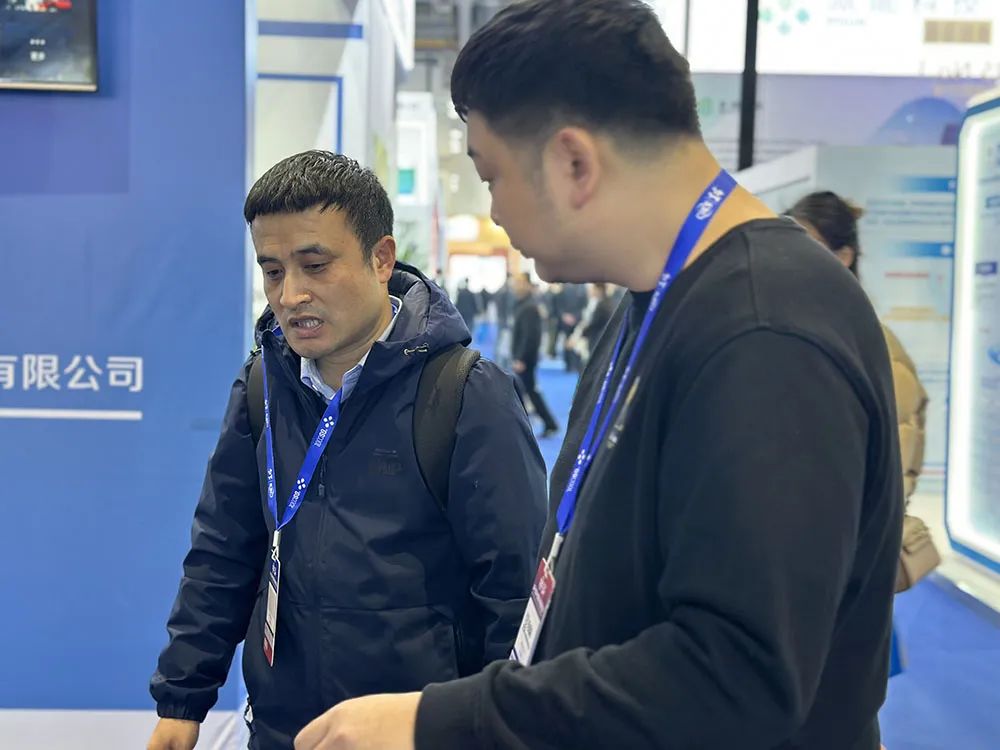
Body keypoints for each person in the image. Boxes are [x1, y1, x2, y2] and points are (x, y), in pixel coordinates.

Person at [292, 2, 902, 749]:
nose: (496, 210)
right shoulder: (649, 304)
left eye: (492, 176)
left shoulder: (766, 330)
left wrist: (443, 721)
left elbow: (736, 677)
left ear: (573, 164)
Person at [147, 151, 547, 750]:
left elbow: (513, 592)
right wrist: (183, 698)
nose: (291, 295)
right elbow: (223, 552)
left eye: (315, 265)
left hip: (417, 734)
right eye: (273, 271)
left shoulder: (463, 393)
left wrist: (498, 728)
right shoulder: (262, 387)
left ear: (381, 259)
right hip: (284, 731)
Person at [788, 190, 933, 681]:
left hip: (845, 570)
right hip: (792, 571)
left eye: (806, 245)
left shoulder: (875, 347)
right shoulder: (790, 336)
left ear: (844, 255)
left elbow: (896, 469)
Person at [511, 271, 560, 439]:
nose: (516, 286)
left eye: (519, 282)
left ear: (527, 284)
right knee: (528, 391)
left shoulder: (530, 307)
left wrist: (521, 358)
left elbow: (530, 336)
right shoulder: (523, 304)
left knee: (529, 391)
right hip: (523, 358)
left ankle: (547, 423)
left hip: (526, 359)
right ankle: (544, 423)